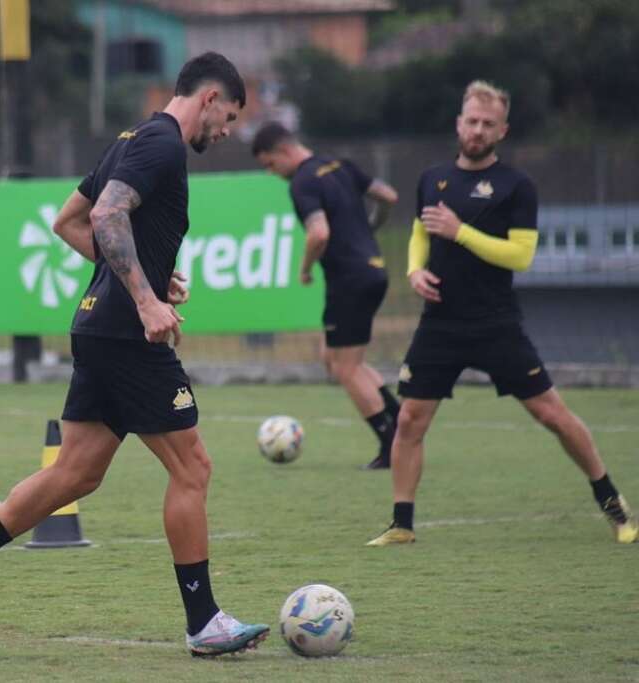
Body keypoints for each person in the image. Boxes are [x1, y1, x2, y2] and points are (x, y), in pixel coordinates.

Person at [0, 52, 270, 657]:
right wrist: (145, 300)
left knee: (75, 473)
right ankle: (204, 622)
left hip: (98, 327)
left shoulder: (131, 138)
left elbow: (67, 221)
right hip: (128, 335)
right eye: (231, 116)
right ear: (209, 98)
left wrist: (153, 278)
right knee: (194, 468)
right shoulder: (162, 145)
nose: (229, 131)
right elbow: (104, 216)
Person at [367, 81, 637, 546]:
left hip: (496, 323)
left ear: (502, 131)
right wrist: (414, 270)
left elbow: (520, 256)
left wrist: (461, 231)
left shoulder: (517, 186)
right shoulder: (433, 177)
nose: (477, 130)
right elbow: (418, 231)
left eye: (487, 124)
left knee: (552, 414)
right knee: (410, 420)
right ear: (458, 123)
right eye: (471, 121)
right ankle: (402, 525)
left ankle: (614, 504)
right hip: (440, 323)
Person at [252, 122, 401, 469]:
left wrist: (305, 269)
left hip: (348, 278)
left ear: (282, 151)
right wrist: (371, 226)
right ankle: (402, 422)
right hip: (374, 270)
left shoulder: (303, 182)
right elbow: (389, 196)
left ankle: (391, 444)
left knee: (345, 369)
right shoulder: (340, 165)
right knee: (341, 360)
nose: (273, 173)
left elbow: (318, 234)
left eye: (270, 165)